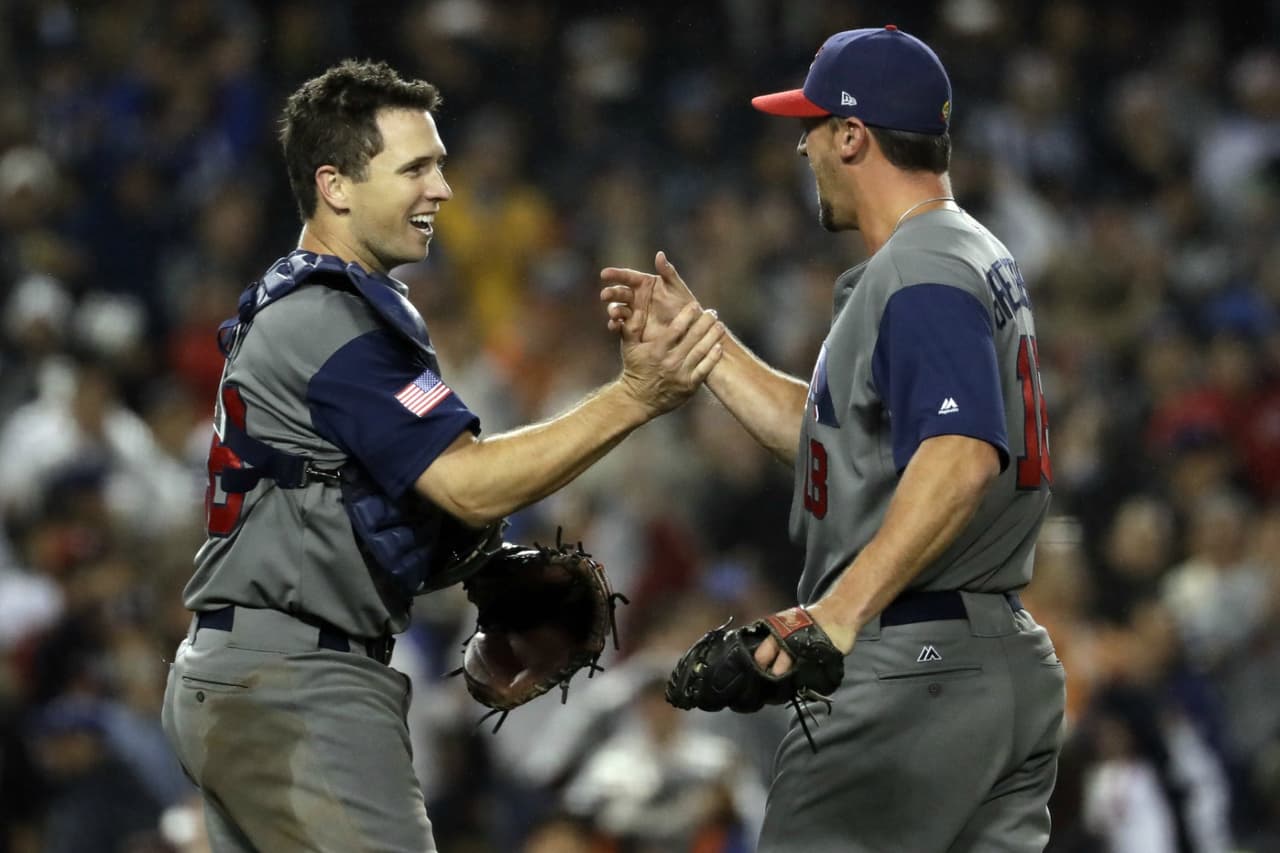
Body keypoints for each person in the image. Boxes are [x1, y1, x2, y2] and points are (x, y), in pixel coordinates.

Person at [160, 59, 724, 853]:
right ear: (337, 185)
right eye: (416, 167)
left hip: (257, 669)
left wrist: (479, 566)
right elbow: (466, 483)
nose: (443, 189)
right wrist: (636, 396)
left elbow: (373, 504)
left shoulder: (318, 307)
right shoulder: (331, 322)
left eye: (442, 165)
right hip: (296, 681)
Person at [602, 26, 1066, 852]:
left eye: (811, 127)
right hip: (995, 659)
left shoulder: (922, 271)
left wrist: (832, 616)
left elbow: (961, 457)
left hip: (913, 666)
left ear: (853, 135)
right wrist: (702, 343)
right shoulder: (963, 253)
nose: (802, 147)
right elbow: (840, 443)